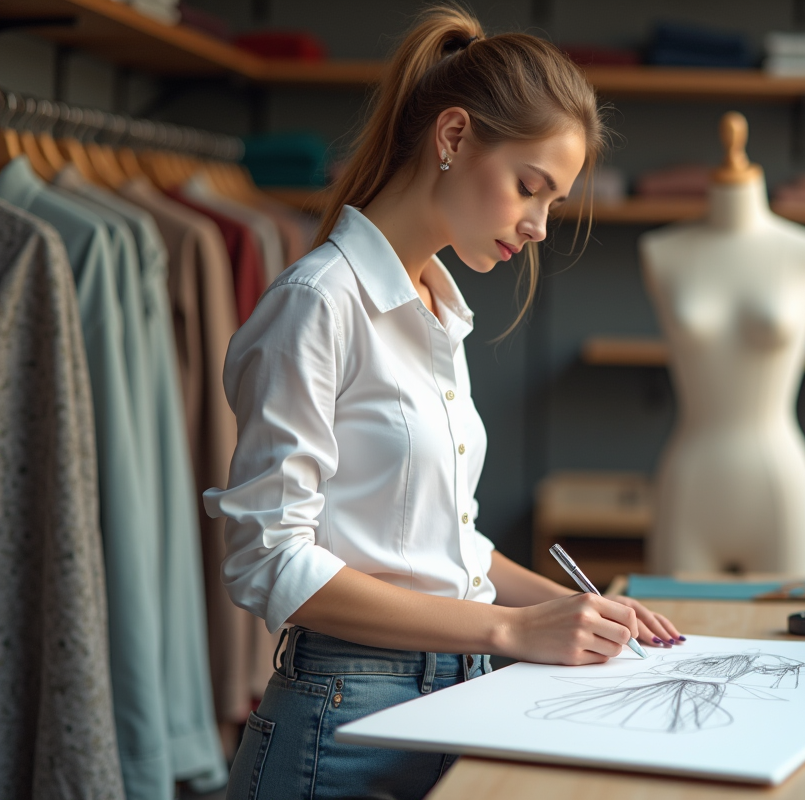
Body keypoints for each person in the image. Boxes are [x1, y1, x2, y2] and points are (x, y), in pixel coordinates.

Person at [203, 7, 683, 798]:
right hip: (340, 724)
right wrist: (512, 628)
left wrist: (570, 605)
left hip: (454, 698)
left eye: (553, 203)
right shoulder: (318, 303)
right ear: (454, 138)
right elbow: (270, 559)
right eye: (530, 188)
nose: (536, 226)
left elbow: (441, 548)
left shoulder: (437, 305)